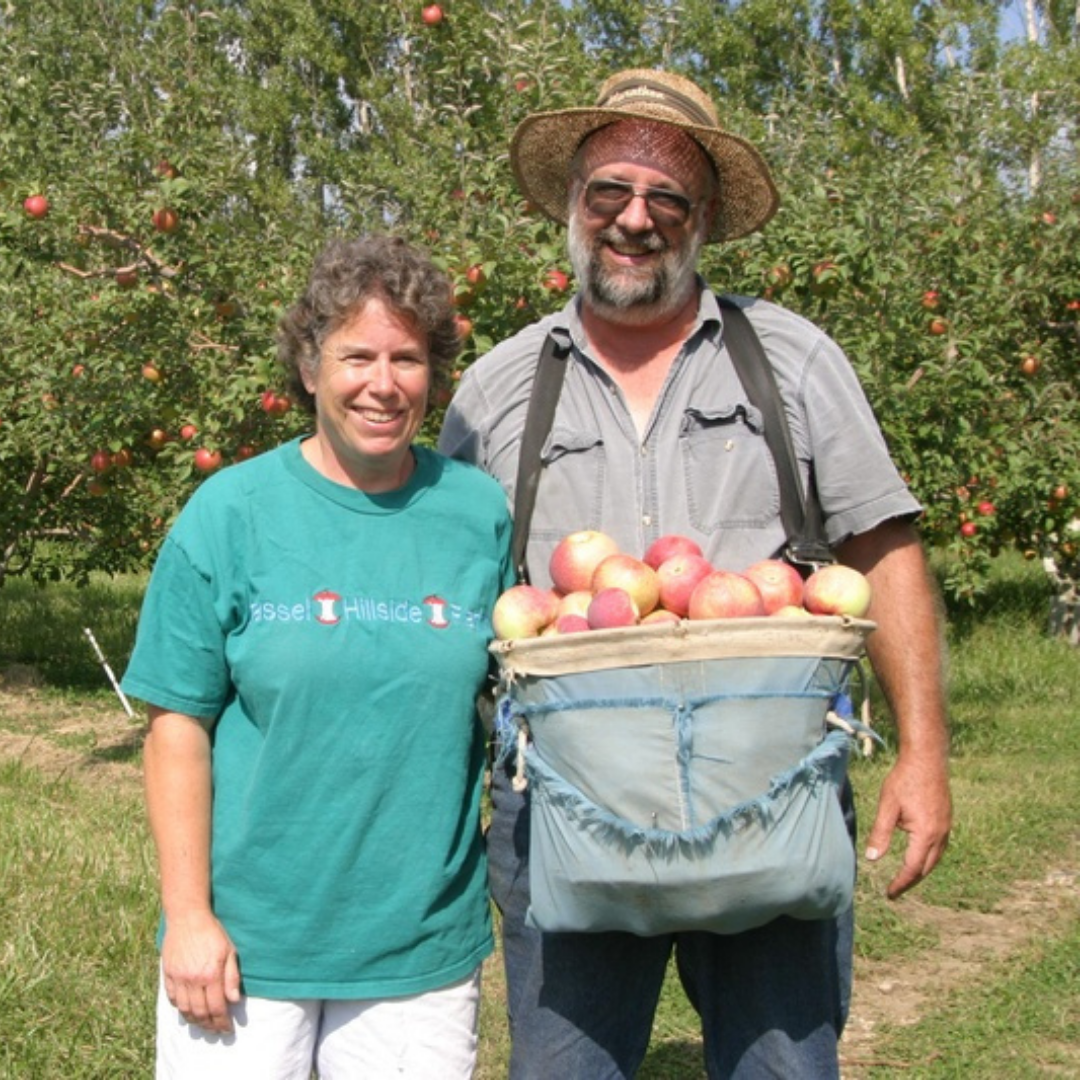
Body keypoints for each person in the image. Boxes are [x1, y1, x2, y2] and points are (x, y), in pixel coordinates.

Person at [438, 69, 952, 1079]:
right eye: (610, 194)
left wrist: (923, 757)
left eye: (666, 198)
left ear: (705, 217)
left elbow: (882, 549)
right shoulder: (497, 391)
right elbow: (453, 599)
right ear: (571, 209)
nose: (636, 220)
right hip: (567, 812)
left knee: (784, 1071)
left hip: (768, 796)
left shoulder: (792, 361)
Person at [122, 233, 514, 1079]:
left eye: (407, 358)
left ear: (434, 374)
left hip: (417, 950)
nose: (383, 383)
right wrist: (188, 916)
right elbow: (176, 727)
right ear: (309, 367)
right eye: (357, 355)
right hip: (246, 948)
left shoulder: (477, 513)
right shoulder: (229, 513)